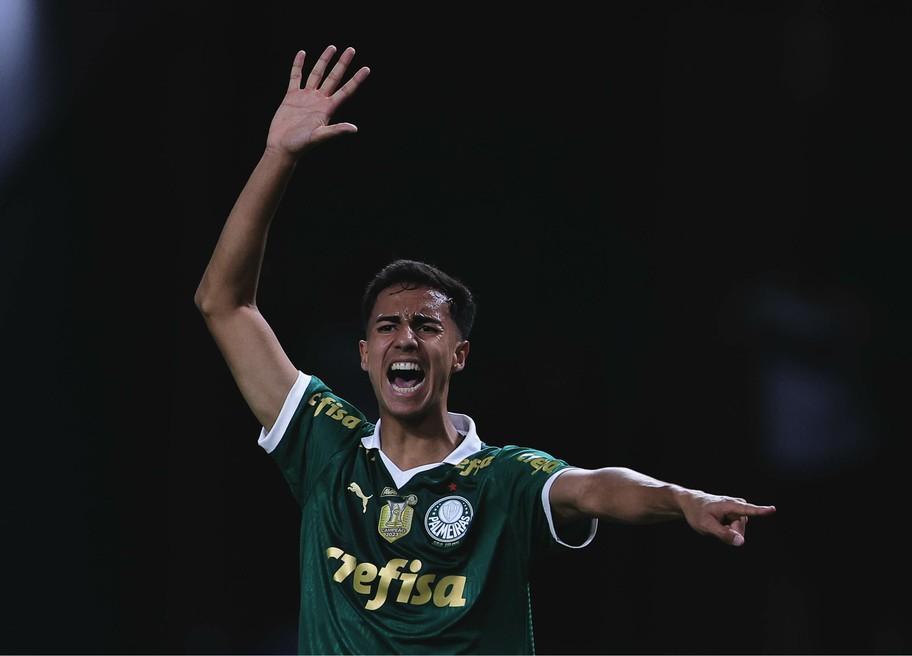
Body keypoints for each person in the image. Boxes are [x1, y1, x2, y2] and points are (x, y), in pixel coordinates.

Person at [193, 44, 777, 655]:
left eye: (426, 324)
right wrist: (276, 156)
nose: (407, 337)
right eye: (388, 326)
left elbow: (595, 488)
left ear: (460, 354)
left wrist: (684, 500)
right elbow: (224, 304)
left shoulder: (502, 480)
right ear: (364, 355)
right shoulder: (326, 450)